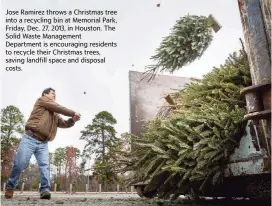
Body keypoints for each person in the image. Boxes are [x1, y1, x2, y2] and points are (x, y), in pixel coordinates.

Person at [5, 88, 81, 200]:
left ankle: (45, 190)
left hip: (43, 143)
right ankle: (10, 187)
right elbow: (58, 107)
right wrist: (72, 112)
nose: (54, 95)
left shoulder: (55, 114)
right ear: (45, 94)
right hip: (30, 138)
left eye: (55, 94)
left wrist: (72, 120)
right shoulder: (42, 100)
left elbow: (64, 123)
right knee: (20, 163)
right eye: (52, 93)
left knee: (45, 166)